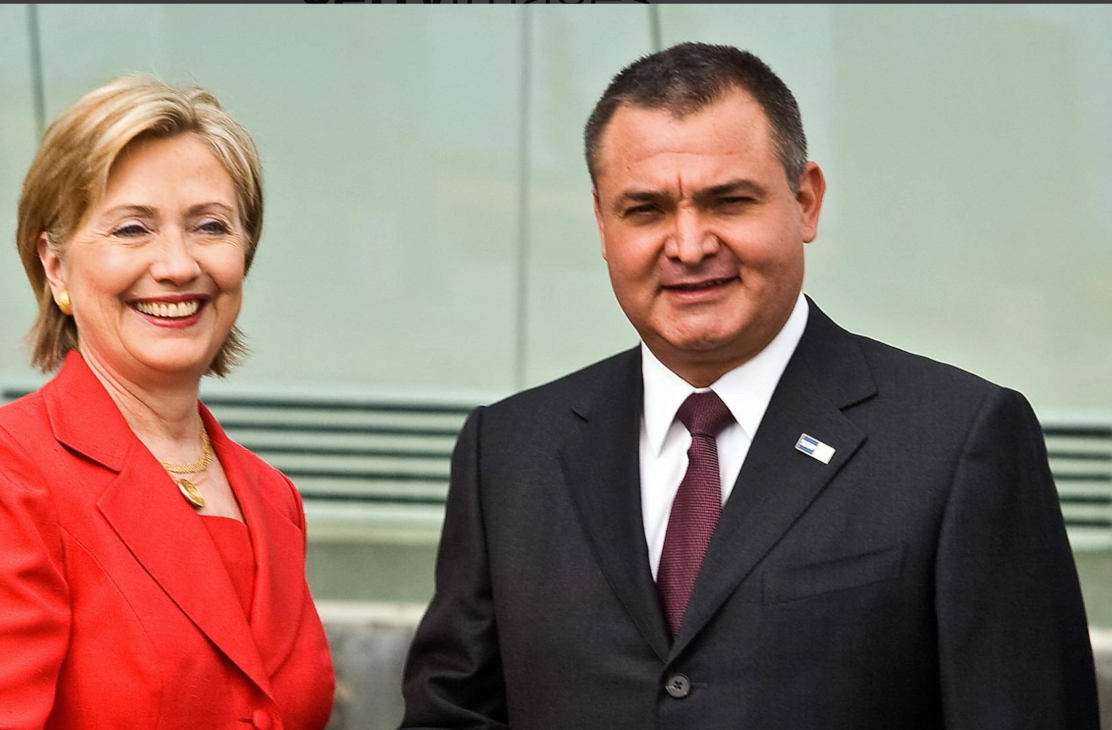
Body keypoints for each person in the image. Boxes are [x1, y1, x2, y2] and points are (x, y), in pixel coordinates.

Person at [400, 42, 1099, 729]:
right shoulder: (510, 451)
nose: (690, 244)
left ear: (806, 202)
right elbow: (452, 713)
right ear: (602, 226)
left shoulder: (957, 443)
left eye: (728, 201)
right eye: (644, 210)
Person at [0, 75, 335, 730]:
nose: (178, 264)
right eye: (133, 229)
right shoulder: (1, 472)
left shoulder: (273, 499)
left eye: (210, 226)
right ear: (55, 267)